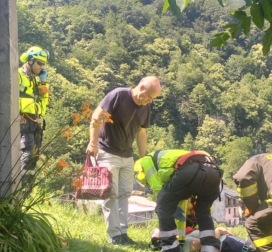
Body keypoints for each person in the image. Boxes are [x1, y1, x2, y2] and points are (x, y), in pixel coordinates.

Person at [85, 76, 161, 245]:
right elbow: (96, 117)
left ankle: (123, 233)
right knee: (111, 194)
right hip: (107, 151)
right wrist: (93, 143)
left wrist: (143, 159)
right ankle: (114, 235)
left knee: (124, 194)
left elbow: (142, 133)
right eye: (149, 97)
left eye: (152, 99)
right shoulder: (118, 95)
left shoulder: (145, 107)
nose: (150, 101)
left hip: (127, 156)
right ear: (141, 88)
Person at [134, 149, 223, 252]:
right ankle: (210, 248)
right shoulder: (169, 156)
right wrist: (181, 238)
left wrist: (169, 205)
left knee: (163, 207)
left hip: (191, 171)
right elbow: (179, 198)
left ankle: (170, 247)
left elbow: (158, 188)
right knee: (203, 212)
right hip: (214, 173)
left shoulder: (145, 162)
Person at [18, 46, 50, 185]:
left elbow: (44, 101)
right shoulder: (18, 74)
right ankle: (20, 185)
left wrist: (43, 83)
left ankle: (27, 189)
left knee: (35, 154)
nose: (41, 67)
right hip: (23, 119)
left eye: (43, 64)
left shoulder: (37, 80)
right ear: (30, 61)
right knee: (27, 150)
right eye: (39, 63)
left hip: (35, 121)